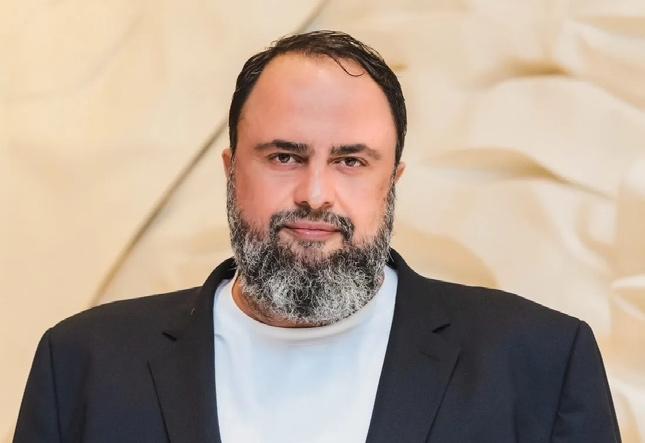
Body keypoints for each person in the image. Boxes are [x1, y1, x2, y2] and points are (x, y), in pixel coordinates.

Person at [14, 30, 620, 443]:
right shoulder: (83, 365)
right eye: (284, 156)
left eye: (351, 161)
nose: (315, 193)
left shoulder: (540, 363)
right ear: (231, 171)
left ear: (392, 180)